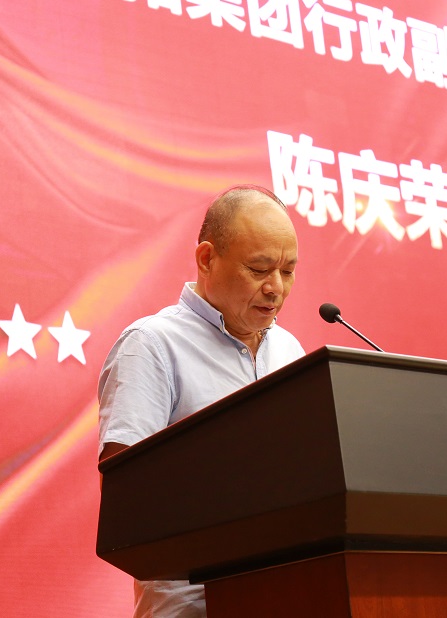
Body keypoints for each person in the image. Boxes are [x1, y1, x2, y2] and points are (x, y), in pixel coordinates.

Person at [97, 184, 305, 618]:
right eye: (259, 269)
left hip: (290, 595)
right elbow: (127, 504)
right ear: (207, 259)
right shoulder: (152, 345)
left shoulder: (290, 350)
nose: (276, 288)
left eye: (287, 271)